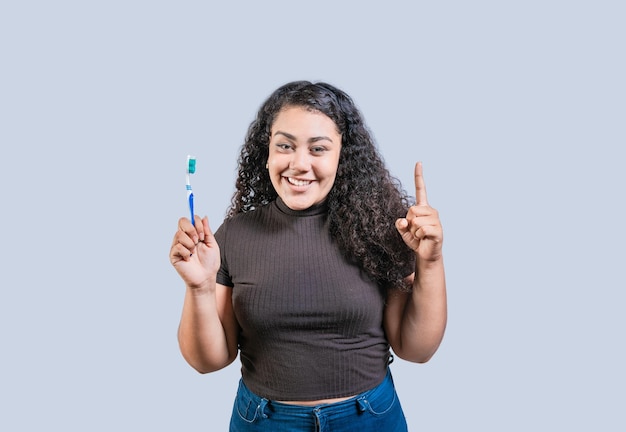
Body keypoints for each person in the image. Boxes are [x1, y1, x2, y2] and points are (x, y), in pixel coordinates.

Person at [169, 81, 447, 431]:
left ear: (341, 156)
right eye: (285, 145)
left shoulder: (380, 230)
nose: (299, 164)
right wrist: (199, 287)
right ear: (266, 150)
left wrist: (430, 262)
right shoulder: (233, 236)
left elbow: (416, 349)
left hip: (368, 419)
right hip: (266, 422)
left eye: (318, 149)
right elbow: (208, 361)